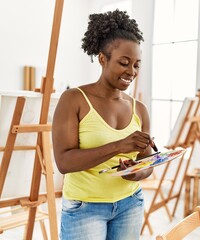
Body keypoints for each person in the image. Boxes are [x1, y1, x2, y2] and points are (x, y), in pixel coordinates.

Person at [52, 9, 154, 240]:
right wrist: (119, 146)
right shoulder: (74, 99)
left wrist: (135, 174)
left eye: (137, 65)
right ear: (102, 59)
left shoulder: (140, 110)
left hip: (130, 204)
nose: (131, 71)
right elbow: (64, 162)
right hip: (85, 208)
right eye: (124, 63)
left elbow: (146, 163)